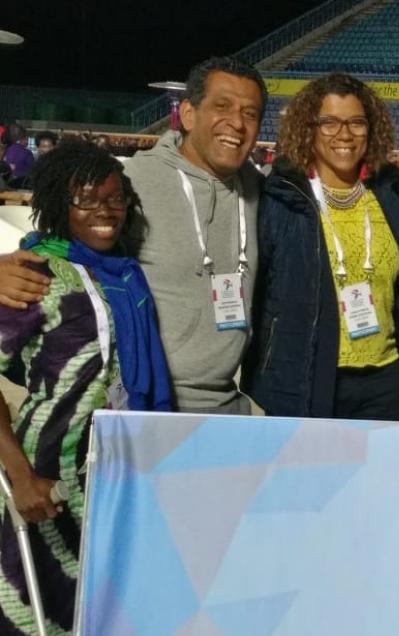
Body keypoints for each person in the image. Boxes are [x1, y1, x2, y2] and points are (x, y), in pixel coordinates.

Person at [0, 141, 172, 636]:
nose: (103, 210)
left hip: (119, 461)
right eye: (85, 199)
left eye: (112, 197)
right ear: (56, 205)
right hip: (51, 462)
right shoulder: (38, 271)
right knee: (27, 597)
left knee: (92, 605)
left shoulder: (122, 272)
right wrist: (19, 472)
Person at [0, 57, 267, 414]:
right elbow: (58, 245)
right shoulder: (135, 181)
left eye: (250, 113)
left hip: (226, 405)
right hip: (147, 406)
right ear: (188, 114)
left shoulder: (259, 191)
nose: (236, 122)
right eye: (223, 106)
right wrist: (5, 267)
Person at [244, 73, 399, 420]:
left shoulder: (389, 196)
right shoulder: (283, 199)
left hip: (385, 381)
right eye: (329, 122)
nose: (344, 134)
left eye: (356, 123)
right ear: (308, 129)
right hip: (309, 379)